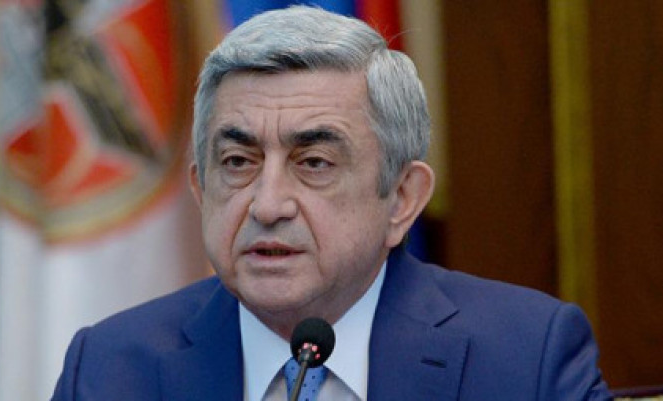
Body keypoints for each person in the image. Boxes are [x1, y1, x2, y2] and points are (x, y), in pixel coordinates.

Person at [51, 6, 611, 400]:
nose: (268, 204)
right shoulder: (111, 368)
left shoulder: (525, 358)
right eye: (239, 162)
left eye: (314, 163)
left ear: (402, 199)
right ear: (201, 190)